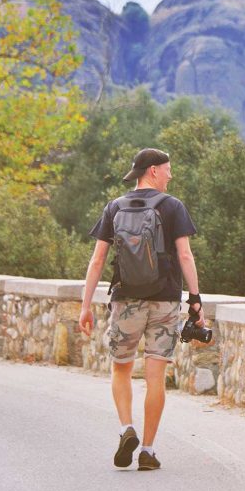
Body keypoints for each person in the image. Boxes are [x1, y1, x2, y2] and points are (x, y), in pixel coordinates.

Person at [78, 148, 205, 471]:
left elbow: (97, 261)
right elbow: (186, 256)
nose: (170, 175)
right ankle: (147, 450)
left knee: (121, 368)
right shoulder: (172, 207)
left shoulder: (114, 207)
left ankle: (126, 428)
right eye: (167, 169)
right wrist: (195, 300)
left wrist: (85, 306)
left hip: (126, 300)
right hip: (164, 300)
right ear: (152, 171)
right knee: (155, 377)